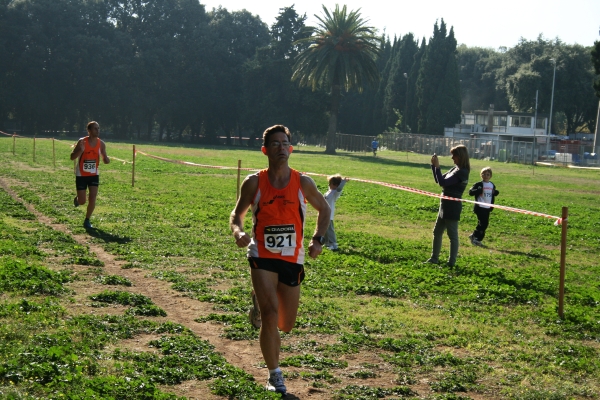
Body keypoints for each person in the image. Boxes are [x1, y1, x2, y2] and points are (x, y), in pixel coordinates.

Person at [229, 125, 330, 396]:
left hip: (292, 257)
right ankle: (275, 375)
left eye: (285, 143)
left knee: (286, 323)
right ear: (265, 150)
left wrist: (318, 239)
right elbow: (236, 214)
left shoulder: (303, 182)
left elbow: (325, 208)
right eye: (275, 144)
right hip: (261, 254)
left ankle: (260, 303)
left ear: (291, 149)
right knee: (271, 314)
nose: (281, 148)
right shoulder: (254, 182)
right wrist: (238, 231)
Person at [425, 145, 470, 267]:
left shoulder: (463, 172)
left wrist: (438, 167)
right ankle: (434, 258)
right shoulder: (454, 169)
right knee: (437, 232)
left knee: (452, 235)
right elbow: (439, 181)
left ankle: (451, 262)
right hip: (444, 205)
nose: (452, 158)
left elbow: (444, 182)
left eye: (454, 155)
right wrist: (434, 166)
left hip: (452, 207)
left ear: (460, 156)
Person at [70, 121, 110, 229]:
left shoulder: (101, 143)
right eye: (95, 128)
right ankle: (78, 199)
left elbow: (105, 159)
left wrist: (106, 159)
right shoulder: (82, 142)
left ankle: (87, 220)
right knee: (82, 201)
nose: (98, 130)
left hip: (94, 174)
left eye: (98, 128)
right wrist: (80, 151)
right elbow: (72, 157)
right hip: (81, 174)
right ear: (89, 130)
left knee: (93, 197)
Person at [468, 167, 499, 246]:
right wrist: (478, 191)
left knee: (484, 224)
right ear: (481, 175)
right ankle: (476, 238)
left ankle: (475, 236)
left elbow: (493, 193)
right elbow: (470, 192)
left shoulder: (492, 185)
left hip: (487, 208)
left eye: (487, 174)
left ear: (490, 176)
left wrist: (495, 192)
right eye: (484, 174)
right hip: (480, 207)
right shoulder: (478, 184)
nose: (485, 176)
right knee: (483, 223)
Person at [323, 174, 349, 251]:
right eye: (330, 183)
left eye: (332, 184)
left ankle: (333, 243)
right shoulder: (329, 192)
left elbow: (339, 188)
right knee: (324, 229)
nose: (330, 185)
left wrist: (343, 182)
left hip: (329, 214)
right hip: (324, 214)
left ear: (336, 185)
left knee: (329, 229)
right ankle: (327, 243)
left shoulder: (335, 193)